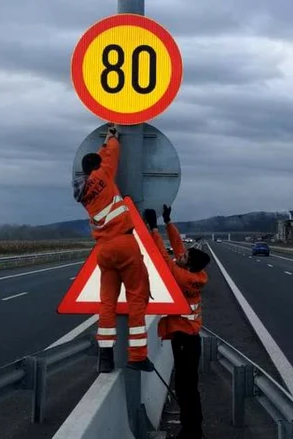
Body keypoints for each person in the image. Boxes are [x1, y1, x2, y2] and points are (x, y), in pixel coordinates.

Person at [72, 123, 153, 373]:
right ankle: (137, 356)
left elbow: (99, 160)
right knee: (136, 298)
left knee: (107, 302)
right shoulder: (104, 175)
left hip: (104, 250)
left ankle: (105, 357)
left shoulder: (84, 192)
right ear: (96, 167)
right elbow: (112, 154)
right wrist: (112, 136)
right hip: (124, 243)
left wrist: (102, 147)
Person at [144, 205, 210, 439]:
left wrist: (153, 227)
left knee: (185, 388)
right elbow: (179, 248)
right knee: (189, 386)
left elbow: (163, 255)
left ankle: (191, 432)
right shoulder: (197, 274)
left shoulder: (180, 276)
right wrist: (168, 221)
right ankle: (194, 428)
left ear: (188, 265)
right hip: (191, 340)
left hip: (184, 340)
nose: (179, 255)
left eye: (182, 258)